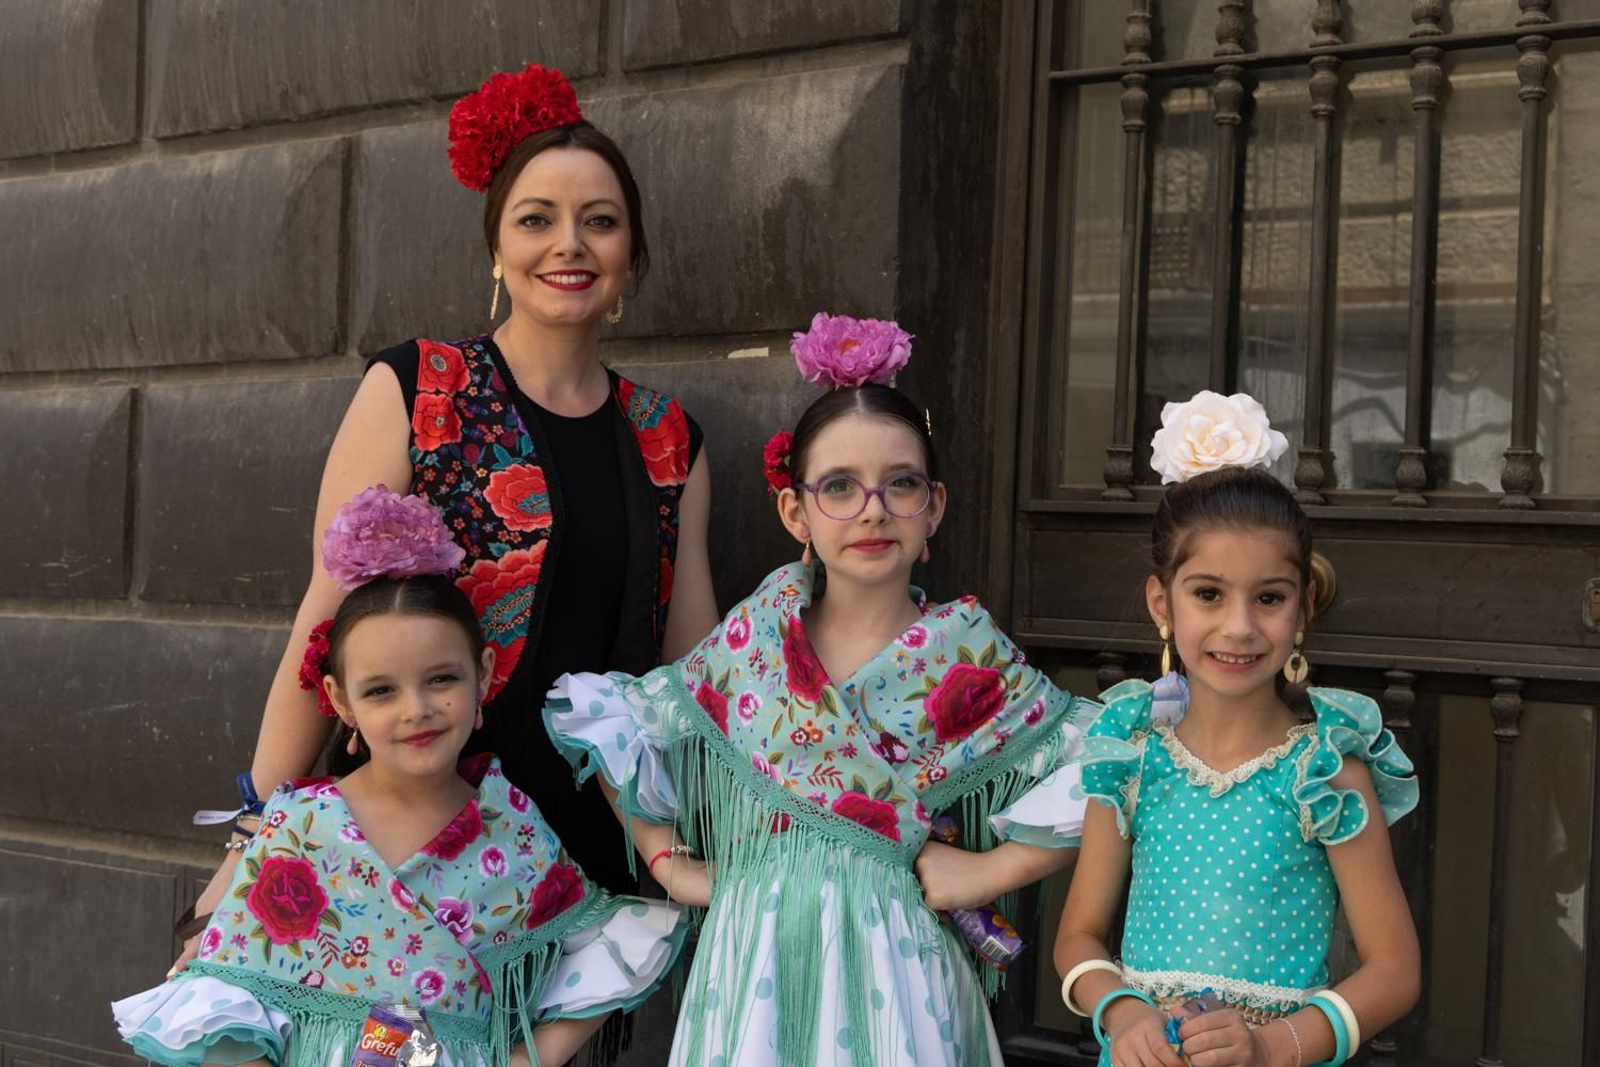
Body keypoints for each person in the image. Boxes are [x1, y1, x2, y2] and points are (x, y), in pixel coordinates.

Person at [175, 62, 716, 972]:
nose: (568, 244)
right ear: (497, 250)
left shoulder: (671, 439)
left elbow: (694, 673)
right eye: (536, 219)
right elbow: (325, 625)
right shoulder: (417, 387)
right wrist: (250, 836)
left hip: (574, 867)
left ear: (631, 255)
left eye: (601, 221)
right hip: (409, 843)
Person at [542, 313, 1097, 1066]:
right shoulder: (753, 642)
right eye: (839, 486)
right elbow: (620, 726)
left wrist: (995, 868)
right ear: (794, 511)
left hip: (904, 973)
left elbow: (1102, 765)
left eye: (901, 484)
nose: (873, 508)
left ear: (934, 506)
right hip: (753, 968)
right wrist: (671, 862)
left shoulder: (968, 653)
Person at [117, 488, 686, 1067]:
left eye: (441, 679)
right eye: (381, 690)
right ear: (340, 700)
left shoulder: (509, 824)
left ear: (484, 673)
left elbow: (600, 939)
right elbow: (232, 1003)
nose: (416, 708)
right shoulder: (301, 826)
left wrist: (527, 1059)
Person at [1053, 391, 1421, 1067]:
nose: (1240, 626)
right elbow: (1077, 934)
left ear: (1302, 607)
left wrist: (1270, 1046)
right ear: (1163, 602)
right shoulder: (1130, 756)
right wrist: (1124, 1007)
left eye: (1270, 597)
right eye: (1209, 593)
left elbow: (1394, 969)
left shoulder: (1327, 771)